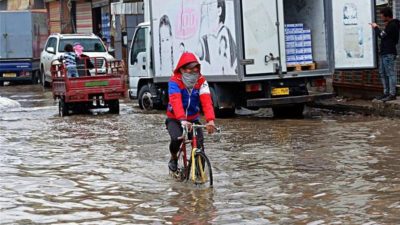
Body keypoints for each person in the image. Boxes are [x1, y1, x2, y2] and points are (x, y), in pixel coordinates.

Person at [166, 52, 216, 172]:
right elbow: (175, 100)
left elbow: (206, 101)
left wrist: (210, 120)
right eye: (189, 68)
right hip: (175, 118)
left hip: (193, 119)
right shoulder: (174, 81)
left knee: (199, 144)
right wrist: (182, 119)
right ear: (182, 69)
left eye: (195, 68)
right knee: (176, 139)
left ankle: (198, 173)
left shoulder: (201, 81)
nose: (193, 71)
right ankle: (173, 158)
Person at [370, 7, 400, 102]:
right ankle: (386, 92)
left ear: (387, 15)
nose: (381, 17)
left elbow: (382, 35)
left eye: (382, 15)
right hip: (384, 53)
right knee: (383, 73)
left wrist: (376, 27)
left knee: (390, 73)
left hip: (389, 53)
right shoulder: (389, 25)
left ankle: (392, 94)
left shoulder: (393, 25)